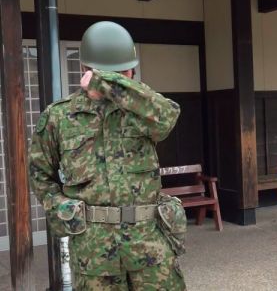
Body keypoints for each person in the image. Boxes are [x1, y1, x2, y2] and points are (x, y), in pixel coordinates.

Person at [29, 21, 186, 290]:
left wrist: (111, 84)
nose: (111, 82)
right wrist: (61, 208)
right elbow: (39, 173)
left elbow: (167, 117)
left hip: (150, 247)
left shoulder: (143, 110)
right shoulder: (59, 117)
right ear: (85, 71)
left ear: (132, 72)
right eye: (103, 74)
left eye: (122, 74)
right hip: (94, 252)